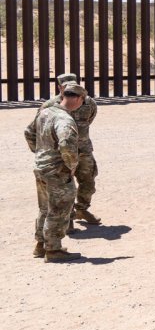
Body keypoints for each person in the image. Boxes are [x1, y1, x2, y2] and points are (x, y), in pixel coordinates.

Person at [26, 81, 87, 262]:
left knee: (45, 207)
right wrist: (71, 165)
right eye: (82, 100)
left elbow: (29, 132)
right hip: (57, 171)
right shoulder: (65, 119)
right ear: (78, 99)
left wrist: (40, 153)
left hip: (41, 167)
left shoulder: (46, 112)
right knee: (60, 208)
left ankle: (40, 245)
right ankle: (53, 250)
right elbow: (66, 144)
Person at [39, 73, 100, 226]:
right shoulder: (50, 106)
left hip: (83, 150)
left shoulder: (88, 102)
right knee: (64, 187)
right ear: (59, 88)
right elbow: (37, 129)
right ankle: (68, 218)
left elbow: (91, 118)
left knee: (88, 181)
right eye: (65, 87)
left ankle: (82, 209)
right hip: (60, 154)